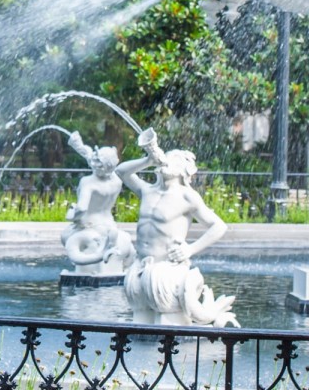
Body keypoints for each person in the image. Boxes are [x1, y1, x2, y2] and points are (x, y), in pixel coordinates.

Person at [116, 128, 239, 328]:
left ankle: (172, 353)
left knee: (166, 323)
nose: (167, 160)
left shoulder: (186, 196)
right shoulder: (147, 191)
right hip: (140, 266)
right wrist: (148, 160)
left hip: (166, 271)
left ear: (184, 170)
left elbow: (218, 226)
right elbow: (121, 172)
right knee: (140, 322)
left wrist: (190, 249)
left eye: (173, 159)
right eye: (167, 157)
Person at [61, 131, 133, 274]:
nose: (92, 161)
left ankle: (85, 268)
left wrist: (72, 215)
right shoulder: (116, 180)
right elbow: (92, 156)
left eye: (96, 161)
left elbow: (81, 209)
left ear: (101, 166)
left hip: (88, 226)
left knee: (65, 236)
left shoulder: (88, 183)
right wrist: (79, 145)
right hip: (108, 225)